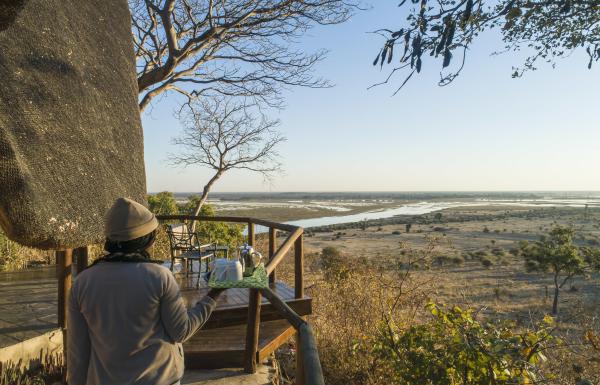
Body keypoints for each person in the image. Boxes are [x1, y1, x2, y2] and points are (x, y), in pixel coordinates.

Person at [67, 197, 224, 385]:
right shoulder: (159, 277)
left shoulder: (83, 282)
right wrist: (214, 294)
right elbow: (181, 331)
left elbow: (78, 351)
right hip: (160, 379)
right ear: (147, 240)